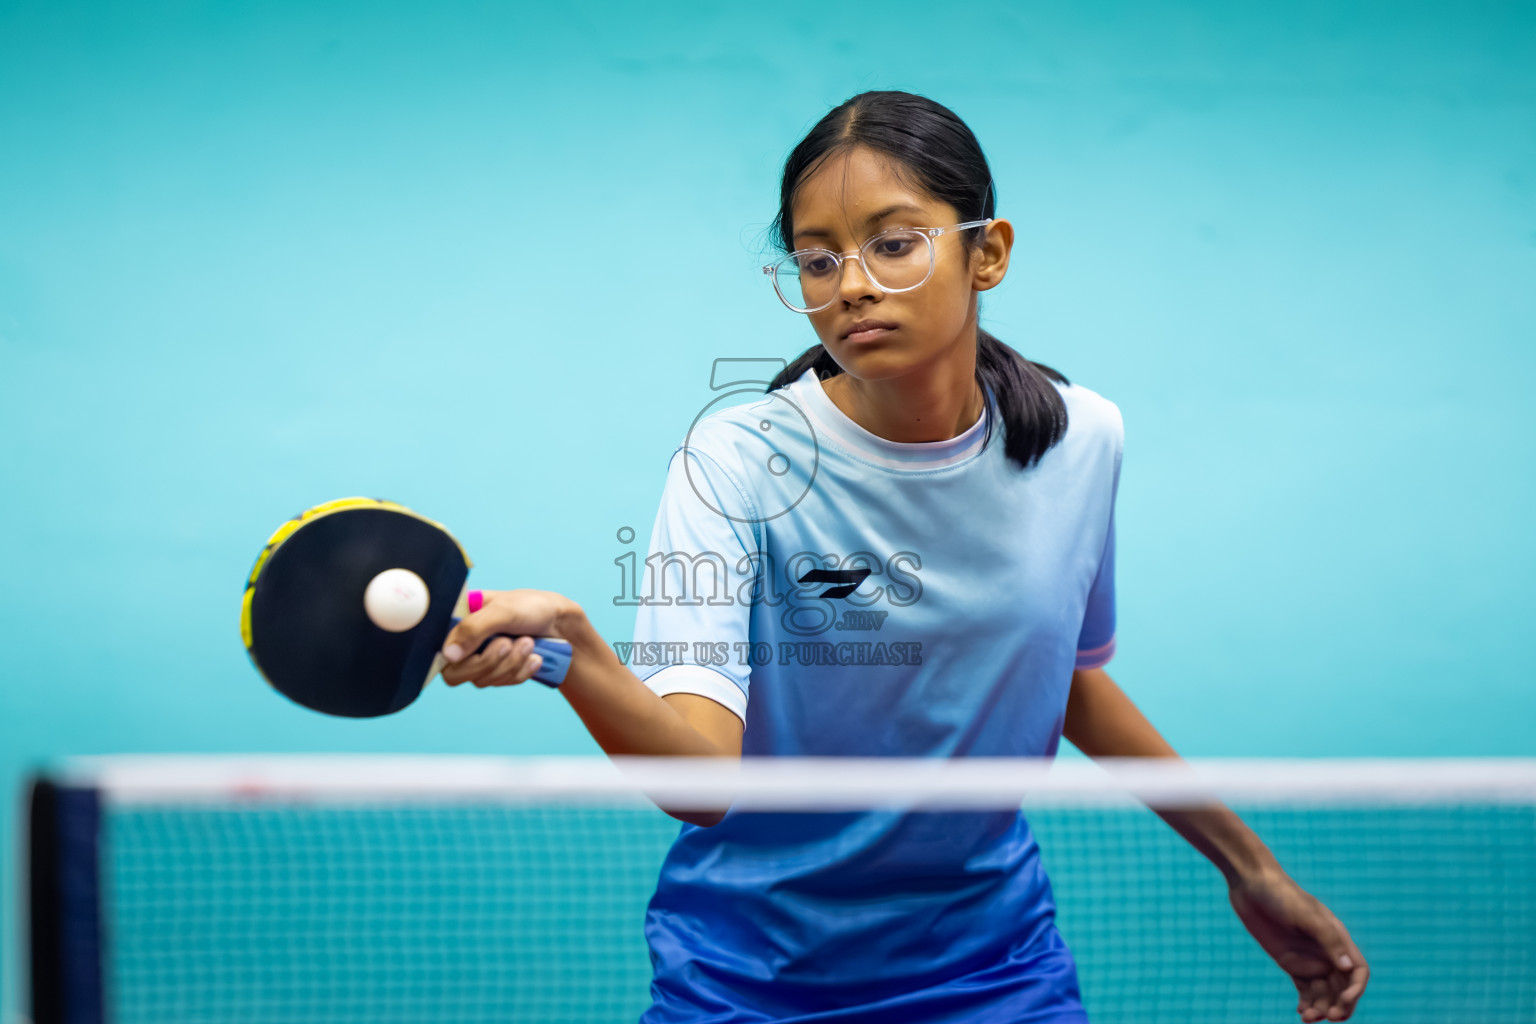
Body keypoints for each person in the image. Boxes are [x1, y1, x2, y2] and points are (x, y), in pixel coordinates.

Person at [439, 90, 1370, 1024]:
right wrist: (575, 647)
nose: (849, 285)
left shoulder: (1084, 441)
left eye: (894, 243)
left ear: (988, 252)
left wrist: (1249, 867)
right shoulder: (734, 460)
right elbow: (701, 780)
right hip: (751, 977)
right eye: (816, 258)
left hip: (994, 969)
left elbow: (1064, 679)